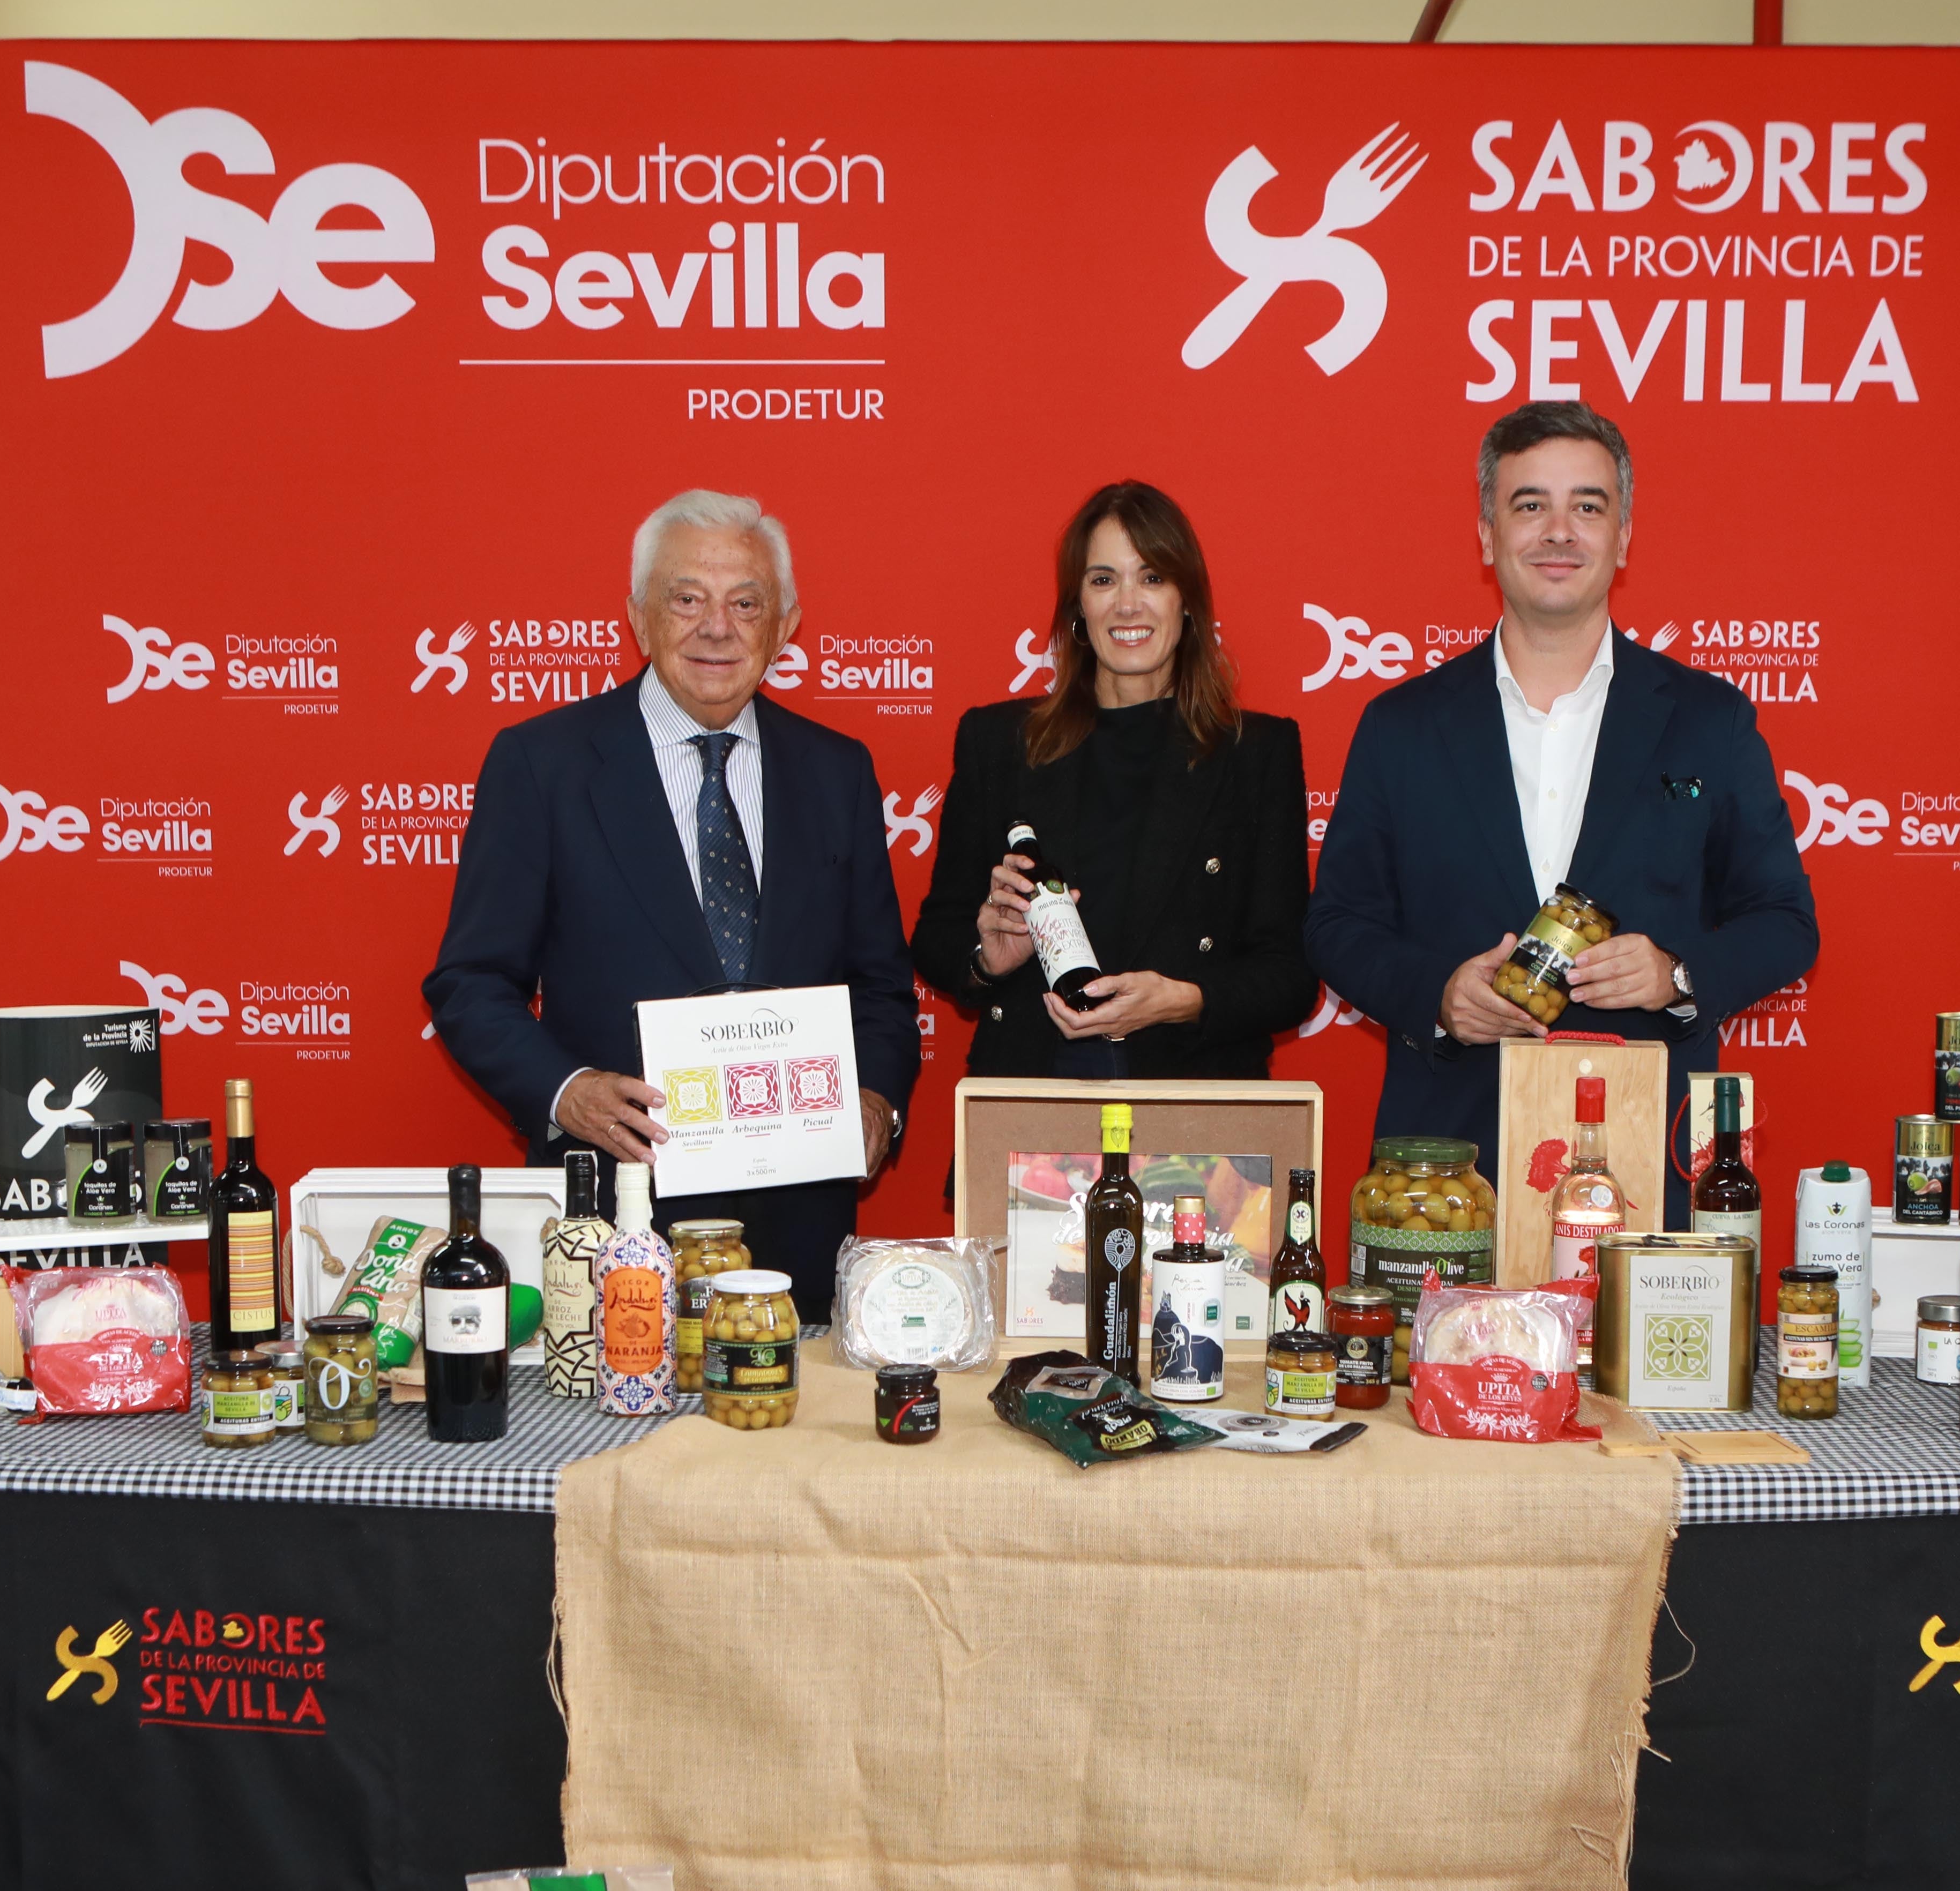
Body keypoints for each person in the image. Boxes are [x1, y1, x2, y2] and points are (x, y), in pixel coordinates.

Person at [1302, 402, 1816, 1222]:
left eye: (1588, 505)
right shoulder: (1400, 725)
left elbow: (1786, 923)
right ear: (1486, 535)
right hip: (1441, 1177)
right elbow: (1337, 925)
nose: (1559, 531)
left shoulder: (1707, 719)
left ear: (1623, 537)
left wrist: (1676, 973)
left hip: (1647, 1162)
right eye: (1530, 504)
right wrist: (1438, 995)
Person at [423, 489, 919, 1317]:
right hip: (616, 1221)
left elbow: (879, 985)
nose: (716, 628)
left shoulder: (838, 772)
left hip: (797, 1236)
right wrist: (566, 1089)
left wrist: (875, 1099)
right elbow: (470, 981)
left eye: (746, 603)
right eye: (686, 599)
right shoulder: (542, 766)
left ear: (786, 623)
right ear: (638, 617)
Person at [908, 481, 1314, 1081]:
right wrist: (986, 959)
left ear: (1188, 601)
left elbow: (1291, 977)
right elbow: (937, 942)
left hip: (1194, 1111)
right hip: (1030, 1105)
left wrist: (1181, 1000)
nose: (1128, 604)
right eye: (1104, 580)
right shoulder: (998, 742)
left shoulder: (1256, 753)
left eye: (1152, 577)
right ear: (1077, 606)